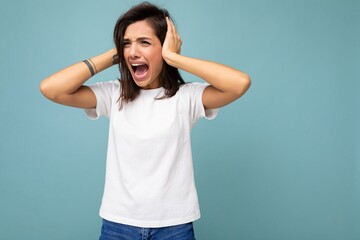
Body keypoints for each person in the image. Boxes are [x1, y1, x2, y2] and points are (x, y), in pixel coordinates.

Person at [40, 2, 251, 240]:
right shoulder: (113, 94)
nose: (133, 51)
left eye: (145, 42)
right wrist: (116, 55)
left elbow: (239, 83)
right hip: (118, 224)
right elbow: (51, 89)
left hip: (175, 226)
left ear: (164, 47)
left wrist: (173, 58)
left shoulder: (187, 97)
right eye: (126, 43)